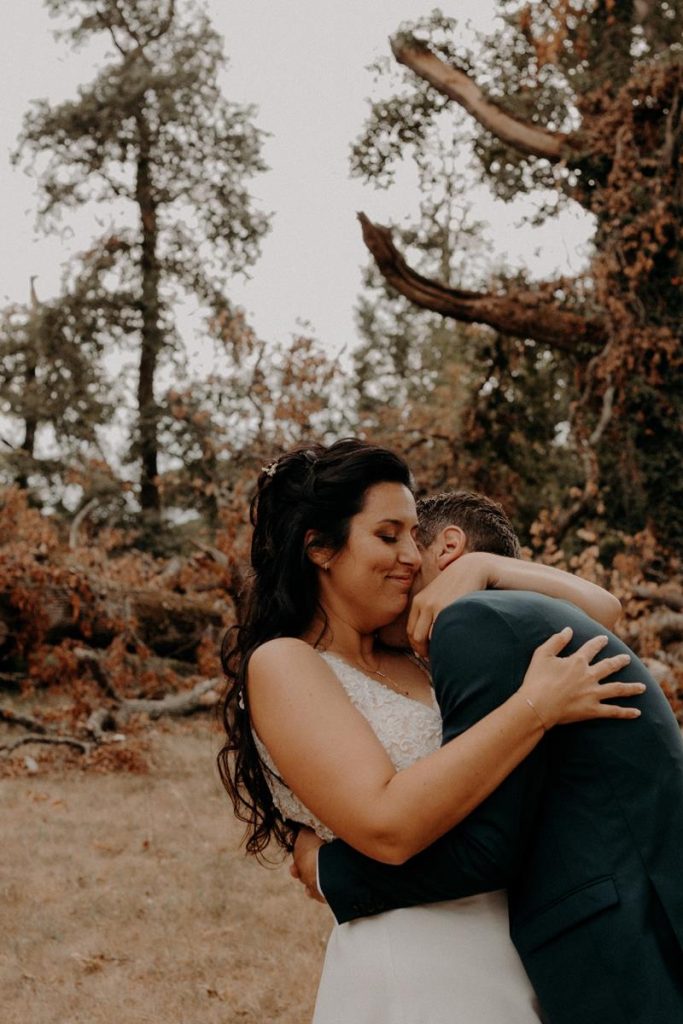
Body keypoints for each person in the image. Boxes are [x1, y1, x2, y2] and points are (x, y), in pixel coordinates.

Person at [218, 439, 643, 1024]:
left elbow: (603, 613)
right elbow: (387, 825)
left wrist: (484, 565)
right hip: (418, 964)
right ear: (319, 547)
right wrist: (535, 709)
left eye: (413, 536)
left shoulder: (422, 653)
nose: (410, 557)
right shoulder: (286, 664)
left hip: (521, 943)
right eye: (387, 535)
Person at [293, 489, 683, 1024]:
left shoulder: (470, 623)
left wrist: (328, 871)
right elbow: (609, 608)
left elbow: (486, 848)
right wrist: (481, 566)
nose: (403, 565)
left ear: (447, 548)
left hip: (614, 927)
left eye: (410, 543)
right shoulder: (524, 618)